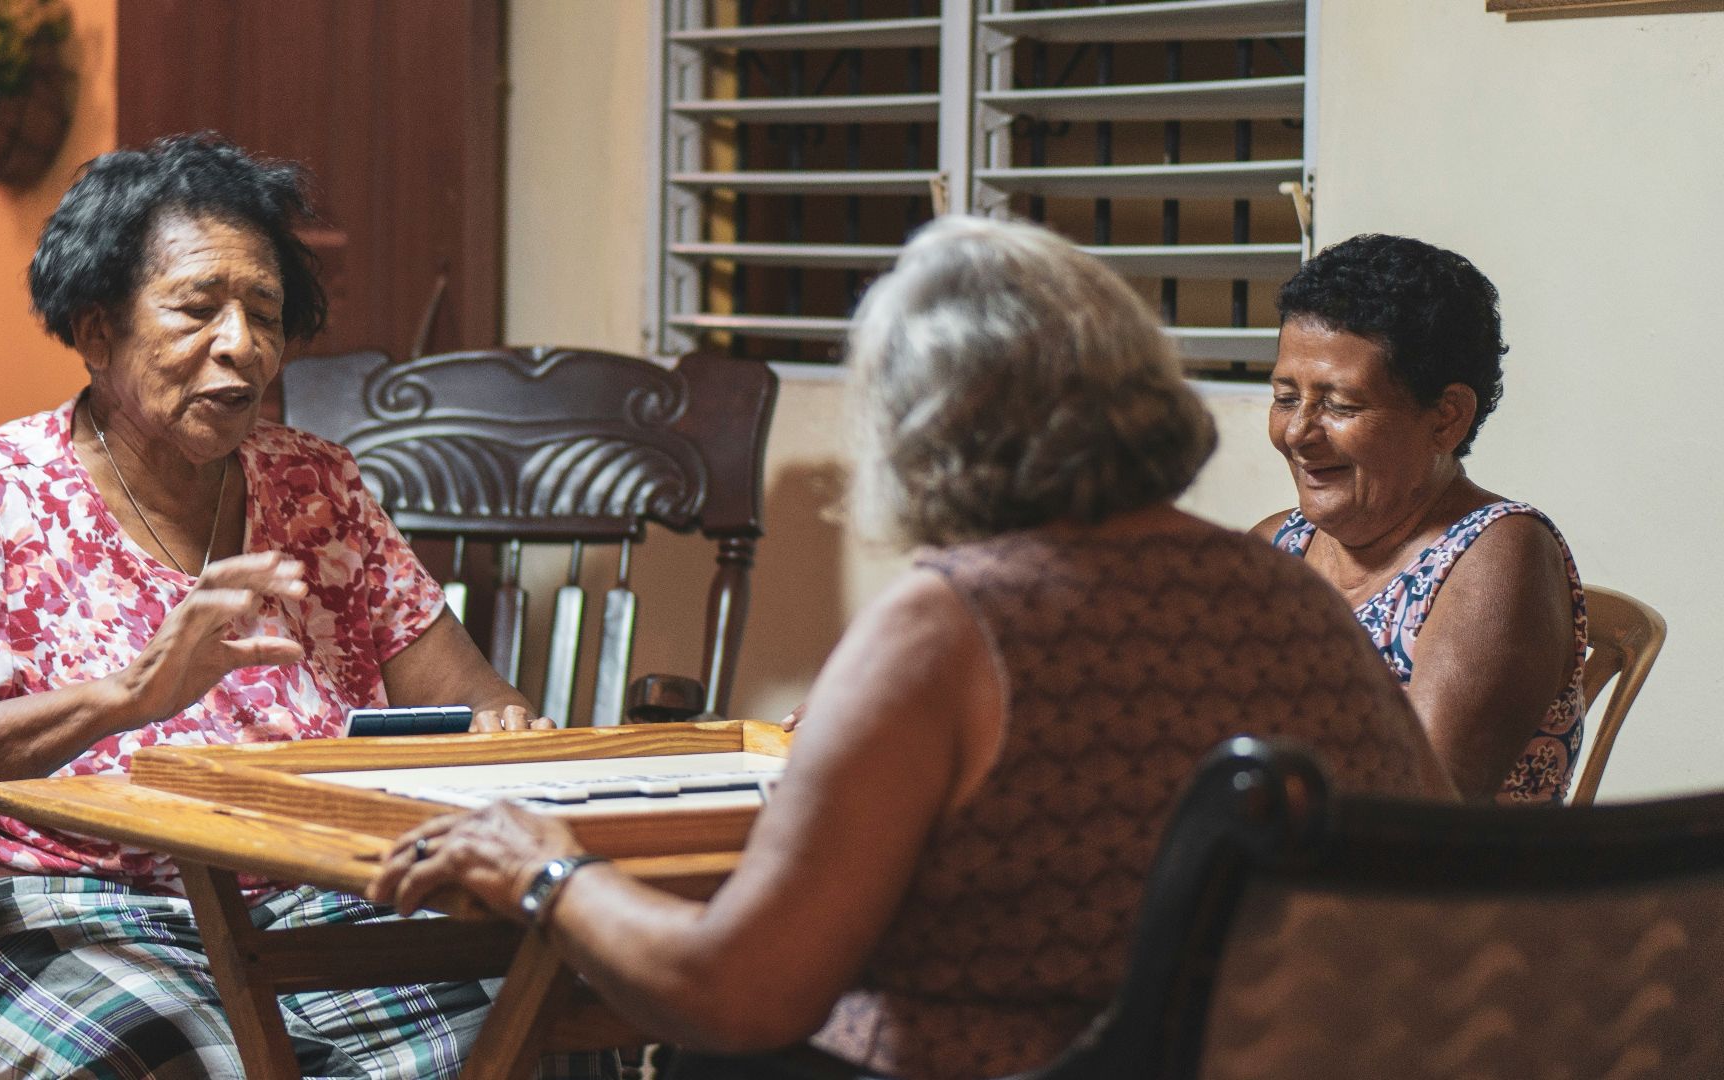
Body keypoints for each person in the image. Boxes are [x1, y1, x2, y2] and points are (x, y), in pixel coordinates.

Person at [366, 216, 1455, 1080]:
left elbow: (736, 990)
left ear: (922, 430)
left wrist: (541, 866)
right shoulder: (1293, 590)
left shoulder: (955, 621)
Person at [0, 134, 605, 1078]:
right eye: (198, 308)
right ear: (96, 328)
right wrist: (131, 694)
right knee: (188, 1063)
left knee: (554, 1002)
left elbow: (483, 707)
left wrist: (499, 735)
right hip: (49, 906)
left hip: (311, 900)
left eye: (264, 313)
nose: (241, 345)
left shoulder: (319, 487)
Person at [1250, 234, 1587, 804]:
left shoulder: (1499, 555)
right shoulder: (1277, 545)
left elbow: (1420, 815)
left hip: (1440, 889)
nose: (1298, 434)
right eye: (1286, 397)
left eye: (1339, 404)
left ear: (1446, 417)